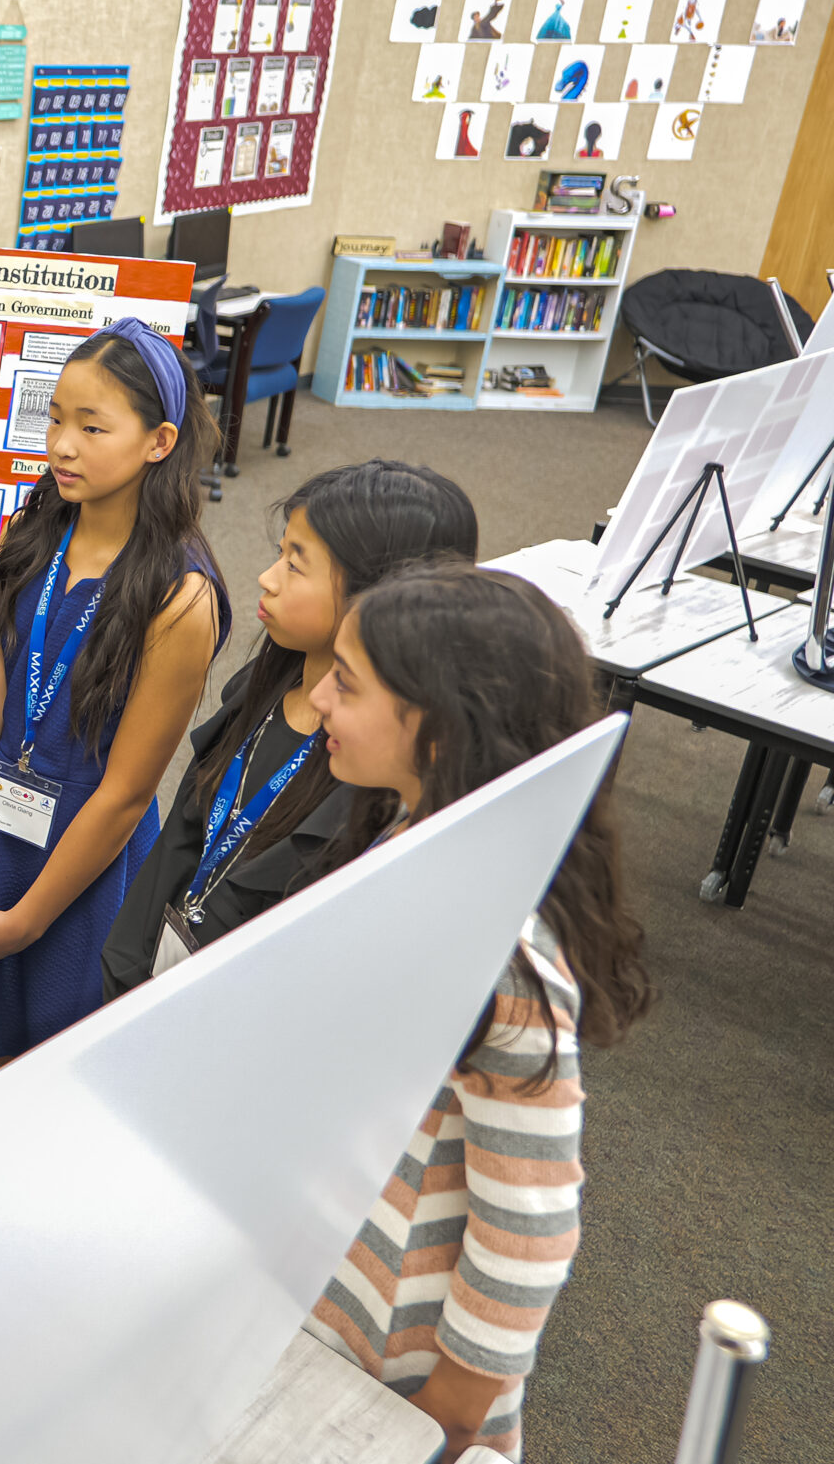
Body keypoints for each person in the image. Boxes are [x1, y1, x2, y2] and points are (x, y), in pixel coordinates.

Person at [296, 563, 652, 1459]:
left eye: (346, 680)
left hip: (397, 1389)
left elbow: (529, 1225)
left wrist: (447, 1413)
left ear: (443, 731)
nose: (317, 698)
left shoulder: (509, 963)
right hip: (327, 1324)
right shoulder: (409, 834)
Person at [0, 320, 227, 1080]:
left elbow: (128, 790)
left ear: (159, 441)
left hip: (84, 858)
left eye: (92, 426)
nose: (62, 445)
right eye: (55, 418)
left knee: (53, 1073)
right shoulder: (36, 532)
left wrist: (29, 920)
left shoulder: (180, 597)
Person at [101, 462, 478, 996]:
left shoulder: (371, 770)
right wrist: (123, 975)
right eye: (281, 552)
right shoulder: (262, 684)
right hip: (155, 985)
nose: (267, 577)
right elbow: (181, 844)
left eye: (295, 565)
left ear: (385, 598)